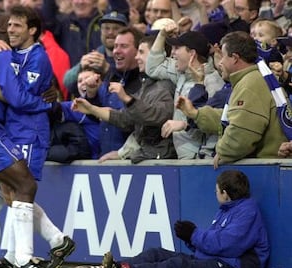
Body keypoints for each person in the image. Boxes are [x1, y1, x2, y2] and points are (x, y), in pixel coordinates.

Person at [0, 8, 74, 268]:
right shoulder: (4, 52)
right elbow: (18, 96)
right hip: (3, 127)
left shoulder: (36, 56)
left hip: (28, 131)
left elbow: (21, 98)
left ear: (31, 29)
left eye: (17, 25)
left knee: (15, 189)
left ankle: (13, 254)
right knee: (17, 188)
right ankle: (47, 245)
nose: (11, 30)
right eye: (8, 26)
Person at [77, 169, 270, 268]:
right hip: (217, 262)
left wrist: (193, 234)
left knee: (180, 265)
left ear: (225, 193)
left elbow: (227, 245)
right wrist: (191, 239)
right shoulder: (227, 209)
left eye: (217, 190)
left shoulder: (248, 211)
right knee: (156, 253)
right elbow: (216, 243)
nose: (215, 193)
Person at [176, 31, 288, 168]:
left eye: (223, 56)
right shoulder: (251, 79)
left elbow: (242, 132)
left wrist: (224, 152)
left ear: (235, 58)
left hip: (267, 169)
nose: (220, 62)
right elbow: (233, 118)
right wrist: (196, 114)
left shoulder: (250, 85)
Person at [72, 35, 177, 163]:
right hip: (149, 157)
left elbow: (157, 116)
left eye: (141, 52)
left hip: (162, 161)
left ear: (157, 55)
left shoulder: (165, 86)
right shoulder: (148, 85)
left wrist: (127, 99)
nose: (137, 57)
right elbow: (126, 118)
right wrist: (91, 109)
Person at [146, 22, 225, 159]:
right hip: (184, 158)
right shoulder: (181, 74)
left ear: (192, 54)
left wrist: (185, 125)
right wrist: (162, 35)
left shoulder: (213, 82)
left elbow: (217, 125)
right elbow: (153, 67)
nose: (173, 53)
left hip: (199, 160)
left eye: (177, 48)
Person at [63, 10, 128, 97]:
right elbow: (67, 83)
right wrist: (81, 66)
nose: (110, 32)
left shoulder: (130, 54)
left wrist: (107, 70)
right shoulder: (99, 52)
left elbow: (129, 86)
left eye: (116, 28)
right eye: (106, 28)